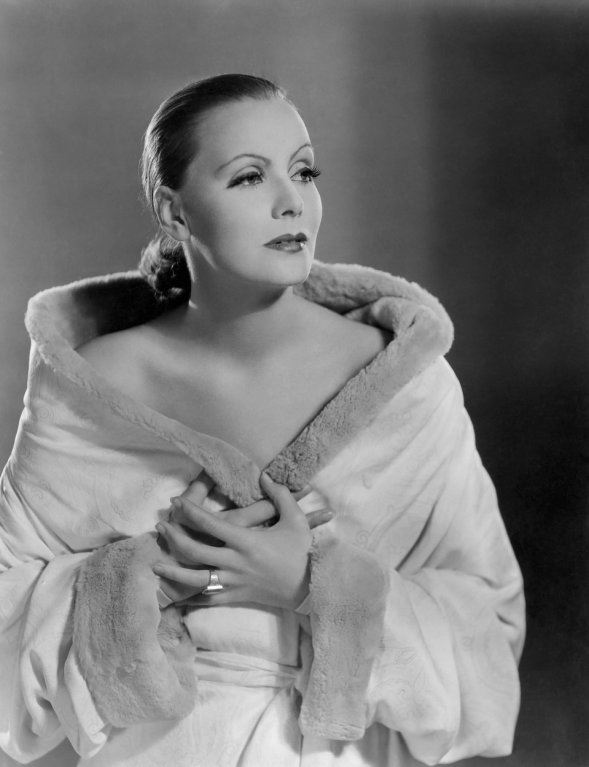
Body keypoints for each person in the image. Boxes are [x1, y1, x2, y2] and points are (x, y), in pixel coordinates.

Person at [0, 74, 525, 767]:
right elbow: (8, 601)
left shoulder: (403, 384)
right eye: (250, 177)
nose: (291, 201)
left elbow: (487, 631)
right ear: (175, 212)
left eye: (303, 171)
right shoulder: (88, 386)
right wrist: (152, 579)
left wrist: (311, 583)